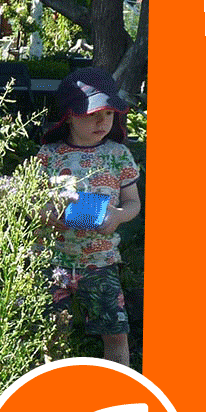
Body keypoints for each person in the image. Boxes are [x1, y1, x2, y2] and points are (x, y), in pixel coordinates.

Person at [35, 67, 141, 367]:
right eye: (92, 113)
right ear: (69, 115)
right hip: (55, 262)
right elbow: (32, 201)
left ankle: (121, 390)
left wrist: (119, 215)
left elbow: (133, 203)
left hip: (102, 262)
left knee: (116, 333)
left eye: (108, 115)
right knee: (54, 335)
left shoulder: (117, 155)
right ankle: (52, 391)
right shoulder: (49, 155)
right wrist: (45, 212)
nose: (101, 121)